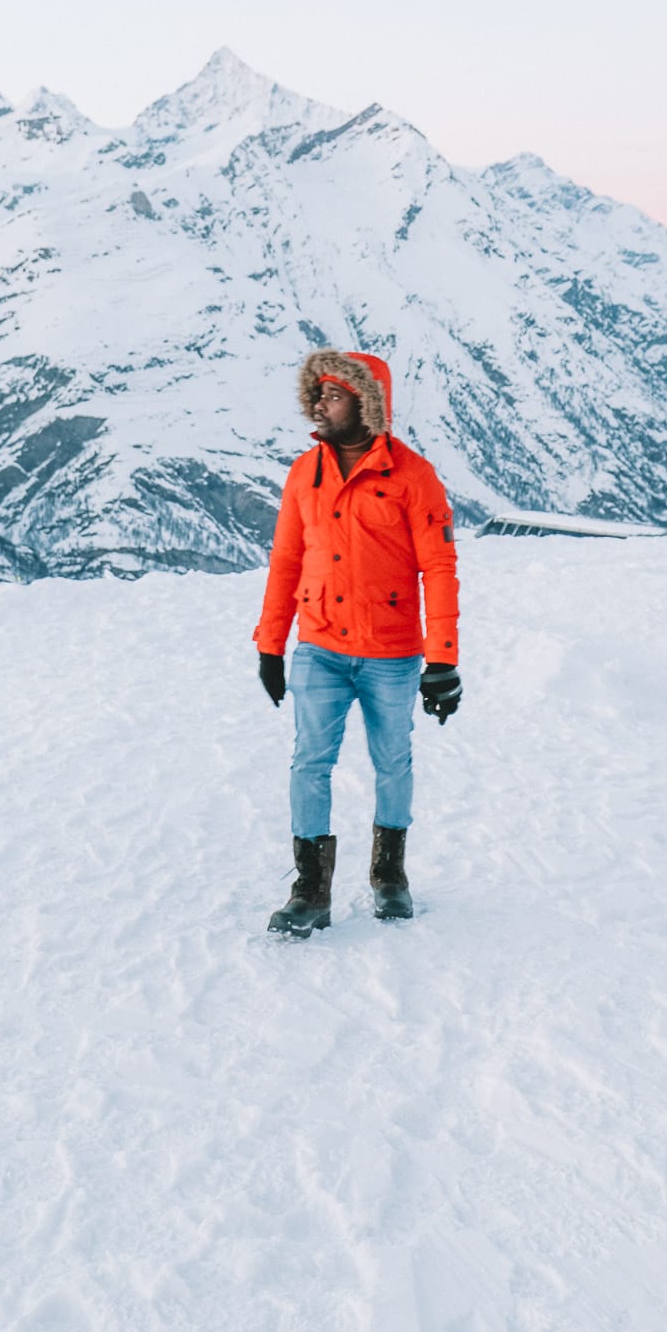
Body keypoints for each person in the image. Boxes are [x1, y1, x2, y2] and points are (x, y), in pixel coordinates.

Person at [253, 349, 461, 935]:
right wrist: (271, 644)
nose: (320, 404)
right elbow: (286, 561)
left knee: (392, 762)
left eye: (334, 395)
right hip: (319, 647)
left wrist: (442, 659)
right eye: (316, 394)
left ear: (367, 404)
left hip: (391, 654)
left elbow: (439, 568)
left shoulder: (413, 477)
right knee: (309, 763)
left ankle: (389, 876)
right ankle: (310, 889)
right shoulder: (303, 473)